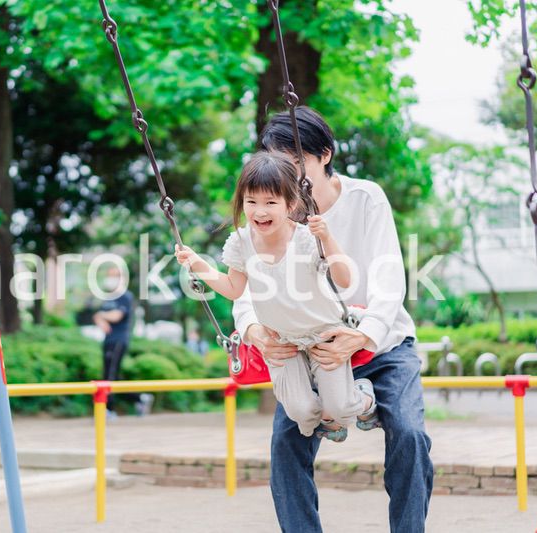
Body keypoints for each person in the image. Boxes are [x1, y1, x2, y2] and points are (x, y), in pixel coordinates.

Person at [233, 107, 433, 532]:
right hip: (307, 348)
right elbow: (248, 282)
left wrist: (361, 338)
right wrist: (253, 330)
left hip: (382, 344)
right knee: (286, 443)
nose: (287, 175)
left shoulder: (365, 198)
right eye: (279, 164)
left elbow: (388, 278)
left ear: (325, 155)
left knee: (410, 436)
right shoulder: (272, 212)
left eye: (297, 163)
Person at [175, 151, 377, 442]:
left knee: (342, 409)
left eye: (270, 202)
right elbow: (233, 288)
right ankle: (325, 416)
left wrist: (328, 239)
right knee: (302, 412)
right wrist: (196, 263)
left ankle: (363, 397)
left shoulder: (307, 238)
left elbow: (345, 280)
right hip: (282, 340)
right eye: (251, 202)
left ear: (290, 204)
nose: (260, 212)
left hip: (323, 334)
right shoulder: (241, 241)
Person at [92, 266, 152, 418]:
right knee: (113, 377)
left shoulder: (125, 296)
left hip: (119, 340)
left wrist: (102, 316)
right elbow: (99, 317)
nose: (110, 279)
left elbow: (116, 316)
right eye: (109, 275)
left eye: (114, 275)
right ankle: (140, 398)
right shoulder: (108, 297)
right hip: (108, 340)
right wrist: (101, 317)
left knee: (109, 376)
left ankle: (109, 410)